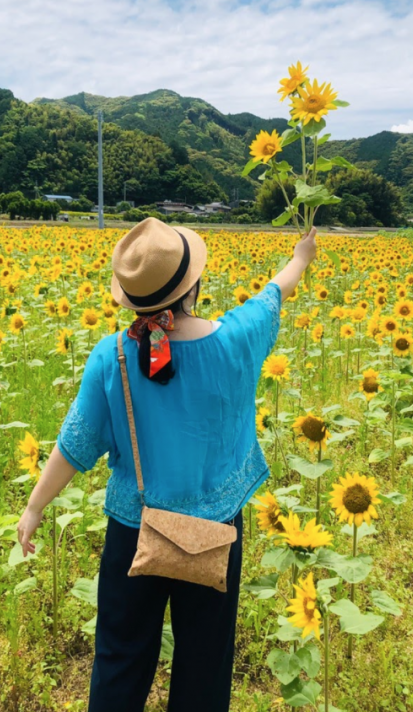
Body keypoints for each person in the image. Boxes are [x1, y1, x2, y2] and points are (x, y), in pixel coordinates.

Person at [16, 217, 317, 711]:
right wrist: (301, 256)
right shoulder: (236, 340)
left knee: (120, 657)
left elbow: (74, 444)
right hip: (214, 534)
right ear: (193, 284)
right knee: (205, 663)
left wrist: (34, 507)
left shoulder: (111, 356)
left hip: (135, 534)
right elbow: (274, 294)